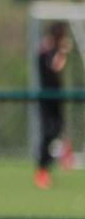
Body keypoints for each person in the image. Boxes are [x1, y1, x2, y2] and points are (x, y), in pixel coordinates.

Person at [35, 22, 73, 189]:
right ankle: (42, 170)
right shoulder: (47, 51)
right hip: (47, 98)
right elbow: (55, 67)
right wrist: (63, 52)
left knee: (57, 129)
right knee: (48, 132)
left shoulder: (50, 49)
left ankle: (54, 162)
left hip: (56, 98)